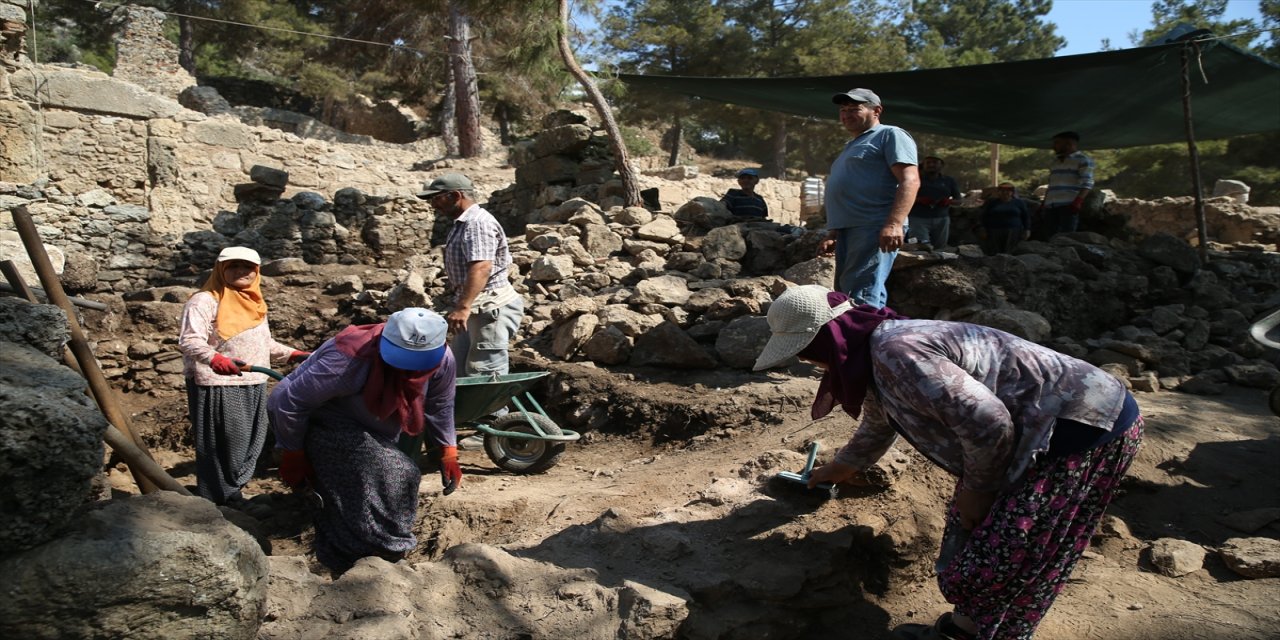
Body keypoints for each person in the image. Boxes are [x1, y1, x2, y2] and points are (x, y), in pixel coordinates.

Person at [754, 285, 1143, 640]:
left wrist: (977, 490)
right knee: (990, 545)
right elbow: (879, 419)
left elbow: (989, 423)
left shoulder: (897, 352)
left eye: (806, 352)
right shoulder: (869, 355)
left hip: (1081, 428)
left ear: (824, 341)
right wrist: (841, 468)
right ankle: (970, 630)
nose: (809, 363)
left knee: (1008, 552)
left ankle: (970, 634)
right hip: (1040, 432)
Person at [266, 308, 461, 573]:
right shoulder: (349, 358)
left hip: (371, 426)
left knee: (374, 481)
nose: (409, 369)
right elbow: (289, 402)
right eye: (403, 358)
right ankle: (368, 557)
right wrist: (292, 452)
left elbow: (440, 404)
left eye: (418, 362)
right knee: (396, 472)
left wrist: (448, 450)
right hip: (319, 419)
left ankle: (368, 556)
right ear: (385, 342)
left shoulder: (442, 359)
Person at [178, 246, 308, 506]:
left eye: (247, 267)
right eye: (233, 266)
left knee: (251, 443)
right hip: (218, 383)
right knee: (226, 444)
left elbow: (264, 344)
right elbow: (189, 340)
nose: (241, 272)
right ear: (221, 269)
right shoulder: (205, 300)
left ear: (256, 272)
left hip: (254, 381)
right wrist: (215, 358)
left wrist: (296, 354)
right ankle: (218, 499)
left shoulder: (254, 302)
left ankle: (232, 493)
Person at [817, 88, 919, 309]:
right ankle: (858, 339)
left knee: (861, 296)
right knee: (848, 294)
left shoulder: (890, 134)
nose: (846, 114)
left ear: (877, 111)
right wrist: (834, 232)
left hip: (873, 226)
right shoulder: (852, 144)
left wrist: (894, 224)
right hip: (850, 230)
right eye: (843, 110)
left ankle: (864, 341)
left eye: (855, 109)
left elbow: (910, 180)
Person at [418, 172, 523, 377]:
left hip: (490, 309)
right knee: (458, 372)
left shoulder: (477, 223)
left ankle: (492, 410)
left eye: (436, 198)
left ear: (456, 195)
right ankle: (466, 409)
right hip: (475, 307)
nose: (433, 205)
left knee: (483, 373)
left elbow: (482, 267)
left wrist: (463, 307)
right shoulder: (463, 223)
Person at [1033, 131, 1094, 240]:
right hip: (1051, 205)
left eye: (1057, 143)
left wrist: (1078, 202)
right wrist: (1044, 203)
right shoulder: (1055, 162)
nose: (1053, 147)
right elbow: (1052, 185)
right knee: (1050, 237)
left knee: (1066, 238)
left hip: (1068, 205)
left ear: (1068, 144)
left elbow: (1088, 183)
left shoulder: (1083, 160)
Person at [907, 156, 961, 248]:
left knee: (940, 248)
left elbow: (959, 201)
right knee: (918, 246)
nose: (931, 165)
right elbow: (903, 197)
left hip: (941, 219)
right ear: (923, 165)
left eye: (935, 162)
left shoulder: (949, 181)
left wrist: (948, 201)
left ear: (941, 165)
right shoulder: (914, 179)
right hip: (917, 219)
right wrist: (919, 200)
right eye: (928, 163)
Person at [980, 183, 1032, 256]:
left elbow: (1025, 217)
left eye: (1008, 190)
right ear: (998, 192)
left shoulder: (1019, 203)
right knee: (995, 253)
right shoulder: (992, 202)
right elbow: (984, 216)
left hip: (1013, 231)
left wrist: (1027, 229)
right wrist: (983, 229)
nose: (1005, 192)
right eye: (1002, 190)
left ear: (1012, 192)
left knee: (1011, 252)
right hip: (994, 231)